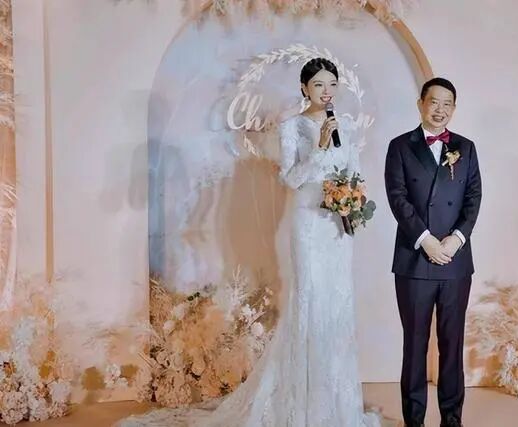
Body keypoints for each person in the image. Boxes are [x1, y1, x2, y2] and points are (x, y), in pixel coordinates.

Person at [118, 57, 380, 427]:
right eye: (319, 85)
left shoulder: (346, 126)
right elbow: (290, 179)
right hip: (307, 224)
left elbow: (353, 173)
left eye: (332, 84)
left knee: (336, 306)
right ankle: (301, 403)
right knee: (309, 302)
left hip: (337, 225)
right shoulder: (293, 126)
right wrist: (320, 146)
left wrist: (352, 201)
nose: (326, 91)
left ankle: (336, 405)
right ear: (304, 88)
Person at [384, 77, 482, 427]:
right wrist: (425, 239)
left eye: (447, 104)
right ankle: (414, 420)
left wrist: (456, 239)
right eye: (434, 102)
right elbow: (398, 197)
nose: (440, 110)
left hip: (455, 262)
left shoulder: (466, 147)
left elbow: (473, 198)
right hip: (414, 260)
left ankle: (452, 420)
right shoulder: (400, 146)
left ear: (454, 108)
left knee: (452, 344)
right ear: (421, 104)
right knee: (414, 344)